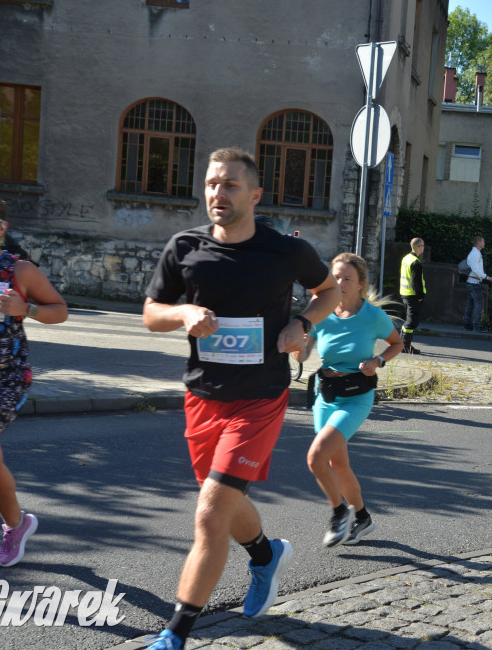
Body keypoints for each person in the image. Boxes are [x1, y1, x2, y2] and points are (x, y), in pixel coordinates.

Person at [141, 148, 339, 650]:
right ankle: (266, 556)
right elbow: (151, 312)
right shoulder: (185, 247)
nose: (218, 193)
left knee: (210, 514)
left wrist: (302, 322)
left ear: (254, 195)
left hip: (260, 399)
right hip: (203, 397)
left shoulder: (285, 251)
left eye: (230, 185)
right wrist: (183, 315)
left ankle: (174, 634)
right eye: (211, 184)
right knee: (225, 502)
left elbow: (329, 291)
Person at [0, 191, 67, 567]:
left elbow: (60, 310)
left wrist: (27, 309)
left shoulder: (19, 270)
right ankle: (17, 525)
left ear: (1, 228)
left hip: (1, 383)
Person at [304, 253, 402, 546]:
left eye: (347, 278)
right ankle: (362, 517)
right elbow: (302, 352)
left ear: (360, 284)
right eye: (336, 277)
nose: (340, 283)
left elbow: (396, 343)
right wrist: (298, 343)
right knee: (337, 463)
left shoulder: (372, 316)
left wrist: (378, 361)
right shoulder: (320, 310)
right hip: (325, 395)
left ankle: (339, 514)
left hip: (356, 397)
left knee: (316, 457)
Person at [398, 238, 426, 354]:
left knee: (408, 321)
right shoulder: (415, 262)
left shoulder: (406, 258)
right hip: (413, 295)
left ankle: (401, 344)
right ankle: (405, 346)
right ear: (419, 247)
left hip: (405, 293)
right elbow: (416, 282)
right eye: (423, 245)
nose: (424, 247)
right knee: (412, 322)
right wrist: (420, 296)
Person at [463, 235, 492, 332]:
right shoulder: (475, 254)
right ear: (479, 243)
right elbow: (475, 269)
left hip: (472, 282)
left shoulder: (475, 253)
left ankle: (467, 324)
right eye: (483, 241)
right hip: (474, 282)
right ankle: (476, 326)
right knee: (478, 304)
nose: (484, 243)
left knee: (470, 303)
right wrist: (486, 277)